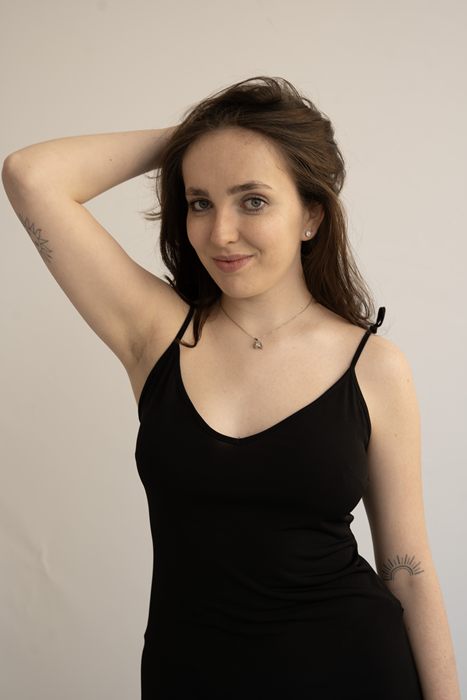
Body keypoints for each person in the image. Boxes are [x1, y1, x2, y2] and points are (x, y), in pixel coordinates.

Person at [2, 76, 461, 699]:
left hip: (353, 672)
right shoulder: (157, 337)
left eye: (253, 200)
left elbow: (407, 571)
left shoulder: (374, 367)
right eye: (200, 202)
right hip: (189, 677)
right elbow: (30, 175)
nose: (220, 232)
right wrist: (205, 138)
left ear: (311, 215)